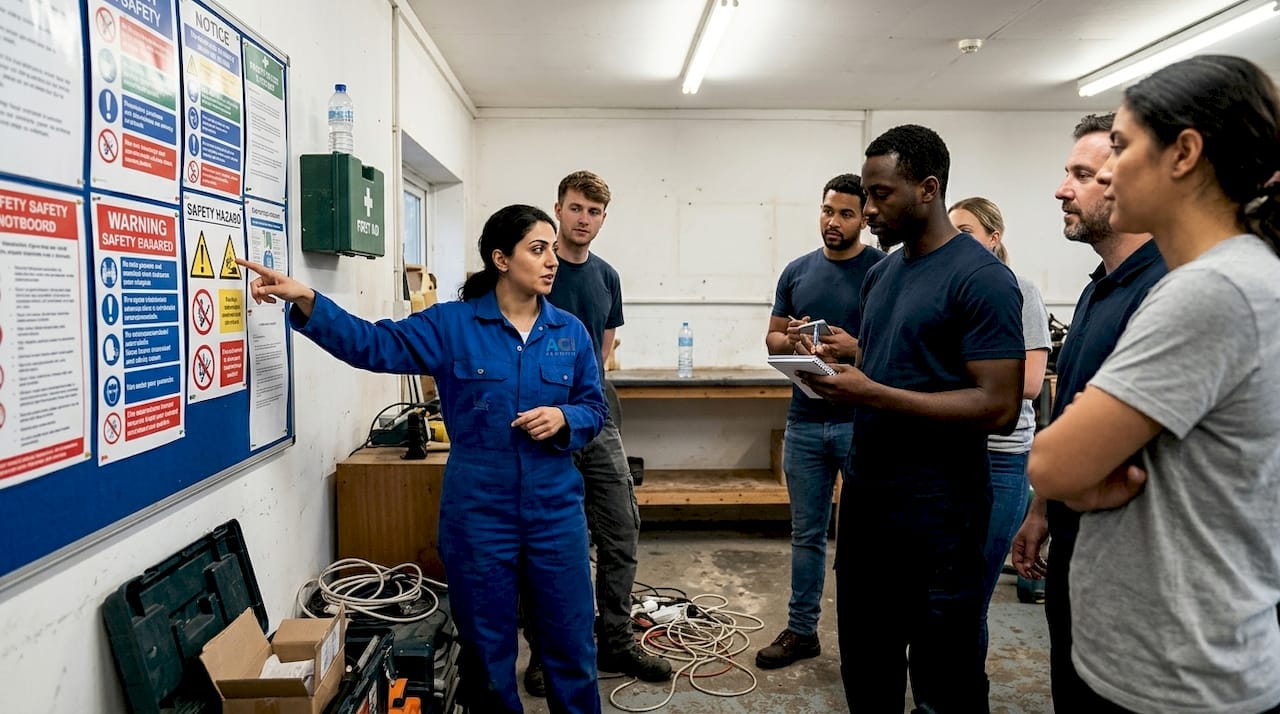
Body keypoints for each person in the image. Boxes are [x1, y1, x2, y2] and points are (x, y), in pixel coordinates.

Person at [238, 205, 607, 714]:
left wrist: (566, 418)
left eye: (551, 251)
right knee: (486, 653)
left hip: (555, 508)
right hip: (479, 511)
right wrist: (307, 300)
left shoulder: (570, 333)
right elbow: (374, 344)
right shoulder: (452, 325)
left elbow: (594, 407)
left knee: (571, 645)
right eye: (537, 249)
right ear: (501, 259)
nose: (552, 262)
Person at [1028, 55, 1280, 712]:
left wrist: (1079, 479)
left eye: (1120, 145)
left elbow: (1053, 463)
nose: (1107, 171)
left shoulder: (1211, 290)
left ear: (1183, 154)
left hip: (1176, 673)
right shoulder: (1242, 273)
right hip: (1180, 654)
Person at [804, 124, 1024, 712]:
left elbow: (999, 406)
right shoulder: (884, 272)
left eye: (881, 195)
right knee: (868, 672)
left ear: (928, 189)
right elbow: (893, 367)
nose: (869, 209)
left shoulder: (982, 279)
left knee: (943, 682)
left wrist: (870, 391)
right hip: (870, 509)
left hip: (941, 518)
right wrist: (842, 365)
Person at [1008, 112, 1166, 710]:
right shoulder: (1100, 287)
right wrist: (1040, 509)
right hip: (1078, 545)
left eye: (1080, 173)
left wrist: (1051, 473)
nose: (1060, 189)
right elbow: (1066, 411)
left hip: (1134, 566)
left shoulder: (1166, 292)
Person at [522, 171, 671, 696]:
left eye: (594, 211)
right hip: (543, 424)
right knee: (554, 543)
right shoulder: (537, 269)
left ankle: (615, 637)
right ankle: (549, 652)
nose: (584, 219)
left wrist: (587, 405)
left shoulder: (607, 277)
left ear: (603, 218)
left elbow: (603, 352)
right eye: (576, 208)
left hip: (596, 417)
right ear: (558, 210)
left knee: (621, 529)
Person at [758, 174, 886, 669]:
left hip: (862, 423)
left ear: (864, 218)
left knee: (864, 537)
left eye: (846, 214)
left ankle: (867, 635)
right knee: (806, 535)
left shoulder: (882, 270)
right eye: (827, 211)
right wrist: (790, 338)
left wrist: (857, 346)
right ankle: (802, 630)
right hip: (806, 421)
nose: (833, 222)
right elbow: (770, 338)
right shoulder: (797, 271)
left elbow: (895, 342)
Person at [947, 197, 1049, 666]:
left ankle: (965, 696)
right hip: (949, 454)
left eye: (966, 231)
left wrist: (958, 381)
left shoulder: (1021, 291)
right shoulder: (954, 292)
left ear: (994, 237)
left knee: (971, 600)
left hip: (1002, 459)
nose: (956, 241)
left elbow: (1026, 385)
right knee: (943, 596)